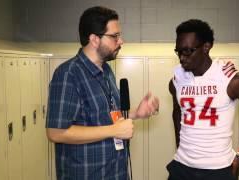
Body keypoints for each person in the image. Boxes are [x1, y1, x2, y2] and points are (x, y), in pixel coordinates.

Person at [46, 6, 159, 180]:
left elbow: (106, 115)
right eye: (115, 36)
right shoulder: (68, 74)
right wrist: (113, 130)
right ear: (94, 39)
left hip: (114, 172)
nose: (121, 41)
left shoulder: (106, 70)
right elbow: (56, 132)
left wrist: (136, 112)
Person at [167, 19, 239, 180]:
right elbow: (177, 112)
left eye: (187, 51)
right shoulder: (177, 79)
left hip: (218, 169)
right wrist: (180, 145)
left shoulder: (231, 80)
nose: (182, 57)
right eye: (179, 51)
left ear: (206, 47)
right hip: (182, 166)